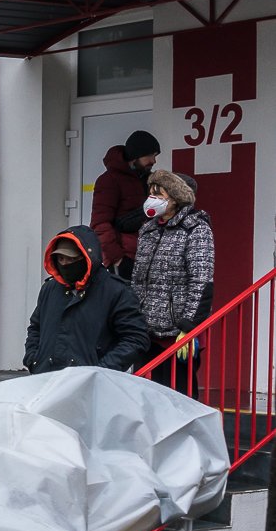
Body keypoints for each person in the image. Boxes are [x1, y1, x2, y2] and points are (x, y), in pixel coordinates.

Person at [132, 170, 214, 400]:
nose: (152, 198)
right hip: (146, 330)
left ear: (176, 198)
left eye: (159, 193)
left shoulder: (196, 229)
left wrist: (189, 326)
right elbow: (139, 279)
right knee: (146, 396)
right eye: (151, 192)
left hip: (177, 333)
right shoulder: (148, 229)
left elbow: (201, 280)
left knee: (179, 396)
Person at [24, 225, 147, 374]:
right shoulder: (50, 288)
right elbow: (36, 327)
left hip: (92, 385)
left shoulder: (116, 291)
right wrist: (34, 360)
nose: (64, 264)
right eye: (60, 259)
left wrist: (101, 370)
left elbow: (135, 338)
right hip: (46, 379)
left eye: (71, 259)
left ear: (88, 258)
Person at [90, 129, 160, 279]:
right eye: (149, 155)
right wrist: (117, 260)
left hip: (150, 258)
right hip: (125, 260)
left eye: (154, 156)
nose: (153, 161)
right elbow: (100, 224)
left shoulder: (149, 180)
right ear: (135, 156)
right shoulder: (109, 180)